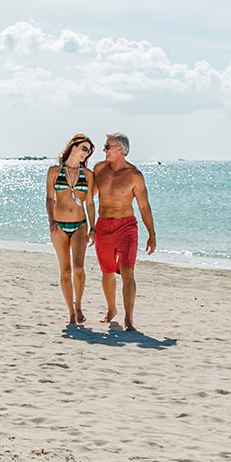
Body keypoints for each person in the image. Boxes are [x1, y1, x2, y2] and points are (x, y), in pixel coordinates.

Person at [92, 133, 156, 331]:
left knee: (128, 271)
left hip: (126, 227)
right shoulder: (99, 169)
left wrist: (152, 234)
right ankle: (111, 310)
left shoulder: (134, 175)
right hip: (103, 226)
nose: (104, 150)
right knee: (107, 272)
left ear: (120, 149)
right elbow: (87, 197)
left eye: (107, 146)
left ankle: (129, 319)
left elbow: (144, 206)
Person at [45, 133, 97, 326]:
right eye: (84, 148)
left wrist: (93, 227)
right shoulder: (54, 171)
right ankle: (71, 312)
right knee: (65, 272)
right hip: (59, 226)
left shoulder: (88, 175)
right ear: (73, 147)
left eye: (89, 151)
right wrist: (51, 222)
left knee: (79, 269)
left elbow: (90, 203)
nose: (86, 153)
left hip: (80, 225)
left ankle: (79, 306)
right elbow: (50, 199)